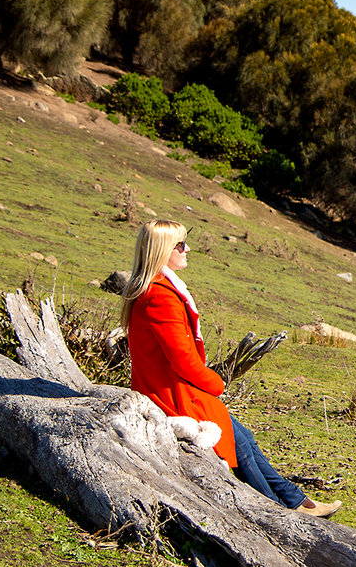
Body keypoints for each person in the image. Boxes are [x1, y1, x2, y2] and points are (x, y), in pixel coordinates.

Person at [120, 220, 341, 518]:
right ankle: (276, 511)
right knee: (240, 444)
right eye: (181, 245)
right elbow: (181, 359)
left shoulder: (154, 290)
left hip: (171, 387)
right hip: (170, 395)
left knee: (243, 437)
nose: (188, 249)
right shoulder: (160, 296)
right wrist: (216, 383)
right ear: (162, 251)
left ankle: (295, 502)